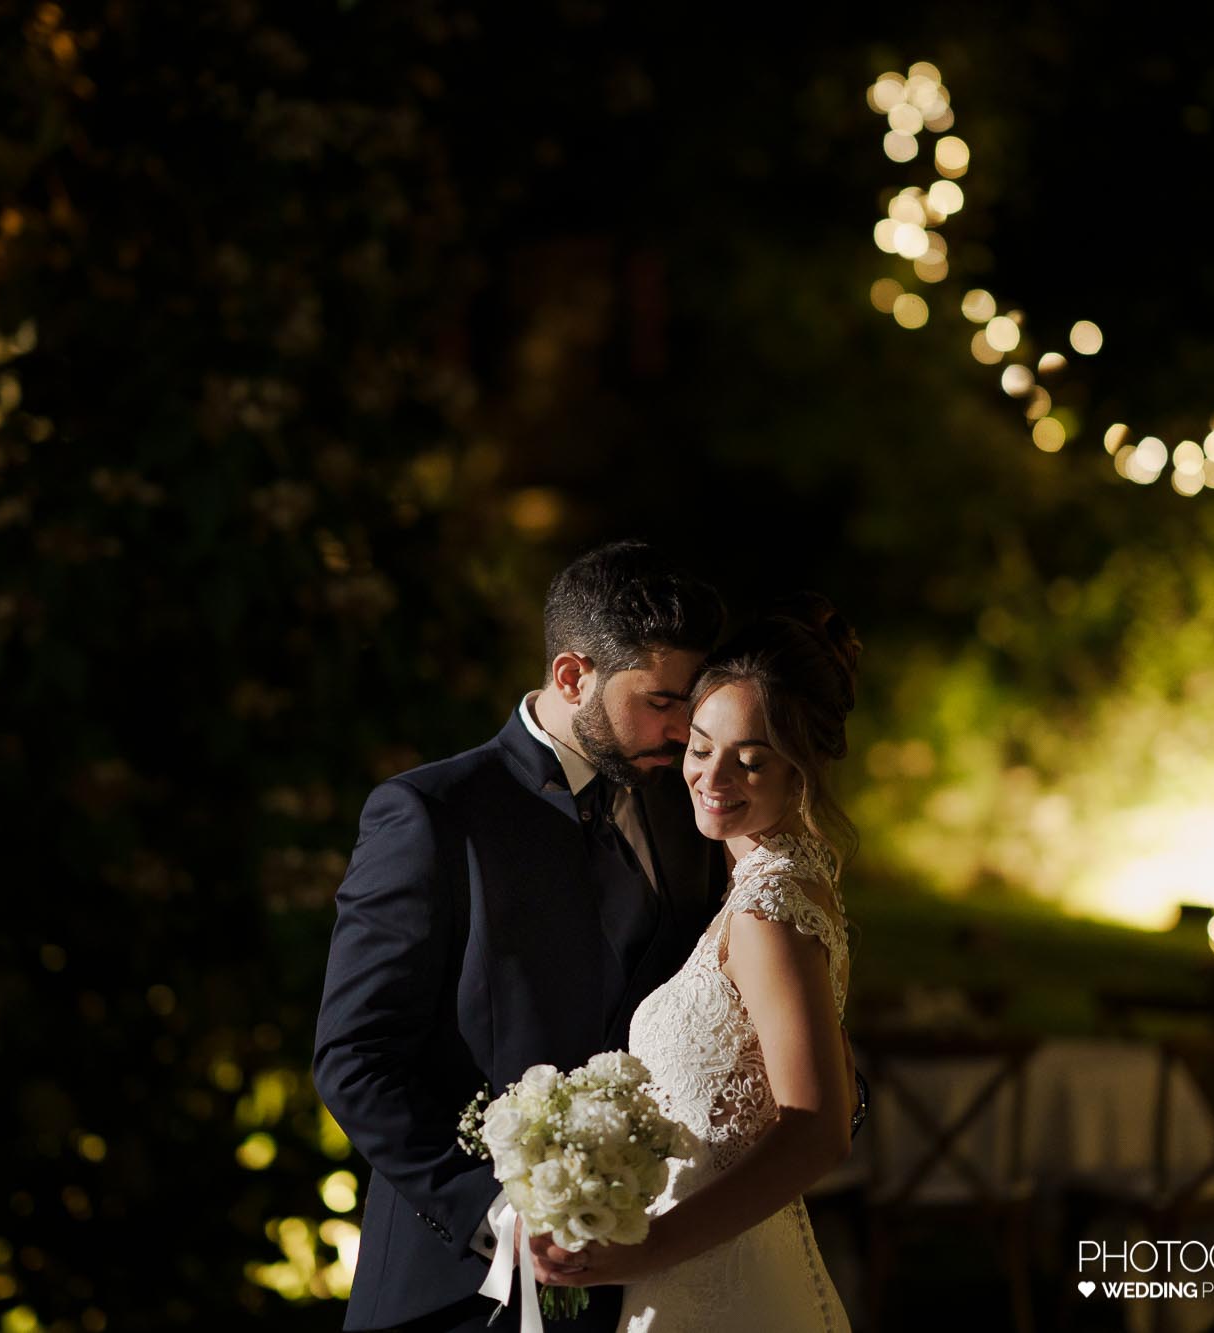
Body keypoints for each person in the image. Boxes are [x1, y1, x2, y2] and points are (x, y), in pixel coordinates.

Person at [313, 540, 728, 1332]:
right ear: (573, 674)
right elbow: (354, 1057)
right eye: (661, 701)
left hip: (645, 1284)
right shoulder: (433, 815)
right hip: (455, 1295)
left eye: (691, 702)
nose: (682, 731)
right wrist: (497, 1215)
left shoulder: (692, 807)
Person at [534, 595, 862, 1333]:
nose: (713, 777)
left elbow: (818, 1129)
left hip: (723, 1284)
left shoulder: (767, 909)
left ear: (799, 773)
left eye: (750, 761)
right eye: (701, 746)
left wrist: (641, 1248)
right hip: (714, 1266)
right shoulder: (777, 878)